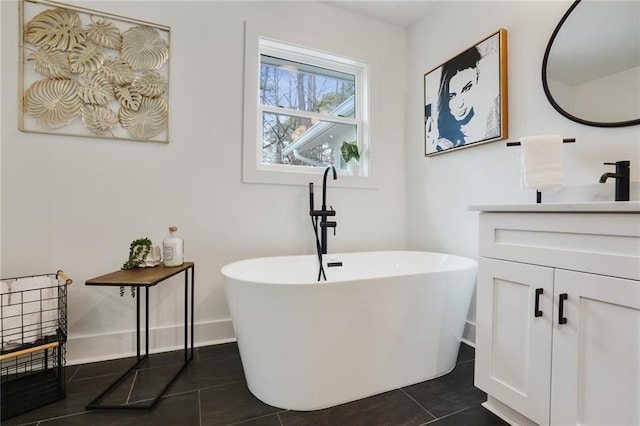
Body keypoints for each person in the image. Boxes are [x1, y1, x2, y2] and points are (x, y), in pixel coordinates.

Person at [435, 46, 500, 151]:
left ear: (478, 80)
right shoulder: (444, 143)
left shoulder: (491, 121)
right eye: (452, 96)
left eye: (467, 88)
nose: (460, 103)